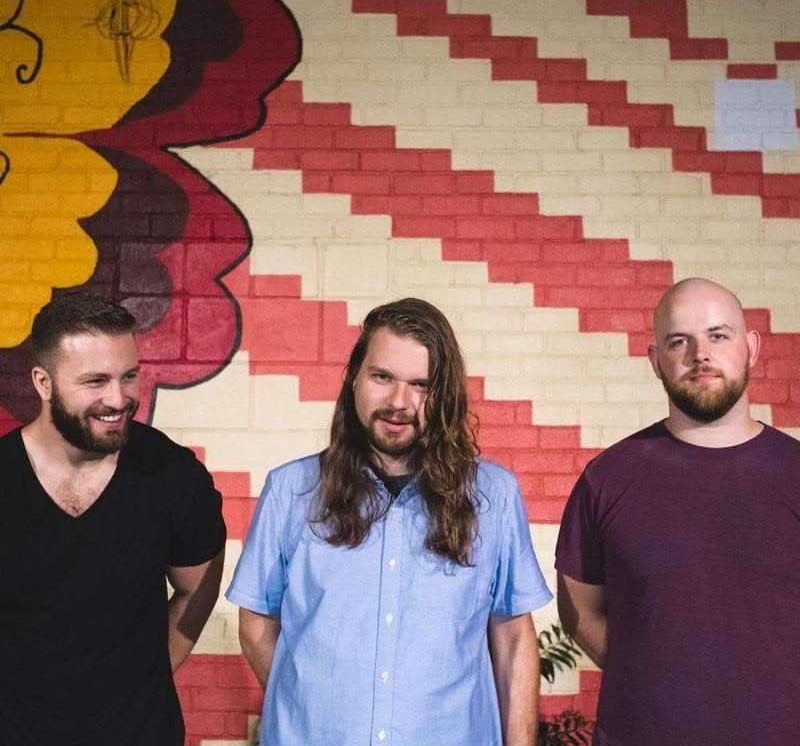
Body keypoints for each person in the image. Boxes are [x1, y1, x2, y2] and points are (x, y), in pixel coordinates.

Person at [227, 297, 552, 746]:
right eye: (382, 377)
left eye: (421, 384)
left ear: (444, 395)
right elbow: (257, 624)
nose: (399, 402)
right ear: (354, 379)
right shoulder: (290, 490)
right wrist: (311, 709)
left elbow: (513, 639)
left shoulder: (493, 496)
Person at [556, 277, 800, 746]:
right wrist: (650, 677)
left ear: (751, 348)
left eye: (718, 335)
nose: (700, 354)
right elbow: (581, 612)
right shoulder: (607, 479)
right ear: (655, 361)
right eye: (678, 341)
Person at [0, 292, 226, 745]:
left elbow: (196, 587)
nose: (118, 398)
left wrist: (148, 674)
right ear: (44, 383)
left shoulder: (172, 474)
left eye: (129, 376)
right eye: (95, 381)